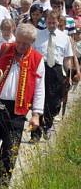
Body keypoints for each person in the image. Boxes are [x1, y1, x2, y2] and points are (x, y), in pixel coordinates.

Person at [0, 23, 44, 189]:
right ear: (15, 38)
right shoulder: (3, 49)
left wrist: (36, 114)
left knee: (10, 151)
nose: (22, 47)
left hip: (18, 111)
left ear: (32, 43)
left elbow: (39, 88)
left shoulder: (37, 59)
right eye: (20, 42)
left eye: (27, 44)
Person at [31, 10, 74, 142]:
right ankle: (35, 133)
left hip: (56, 70)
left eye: (54, 22)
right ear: (46, 22)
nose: (51, 24)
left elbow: (67, 59)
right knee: (39, 101)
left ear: (58, 22)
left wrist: (69, 75)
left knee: (54, 102)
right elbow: (32, 54)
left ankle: (47, 125)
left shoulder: (65, 38)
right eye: (49, 22)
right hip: (41, 68)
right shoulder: (38, 35)